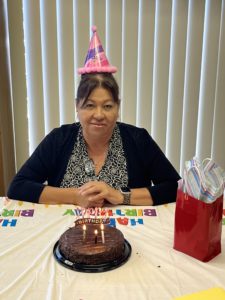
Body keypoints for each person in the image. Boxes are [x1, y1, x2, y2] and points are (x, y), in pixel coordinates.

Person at [7, 27, 180, 207]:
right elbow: (18, 187)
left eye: (107, 106)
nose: (99, 115)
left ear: (117, 107)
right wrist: (75, 196)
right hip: (67, 232)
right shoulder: (59, 139)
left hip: (128, 233)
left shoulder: (138, 139)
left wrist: (121, 196)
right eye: (89, 105)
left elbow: (174, 188)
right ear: (77, 106)